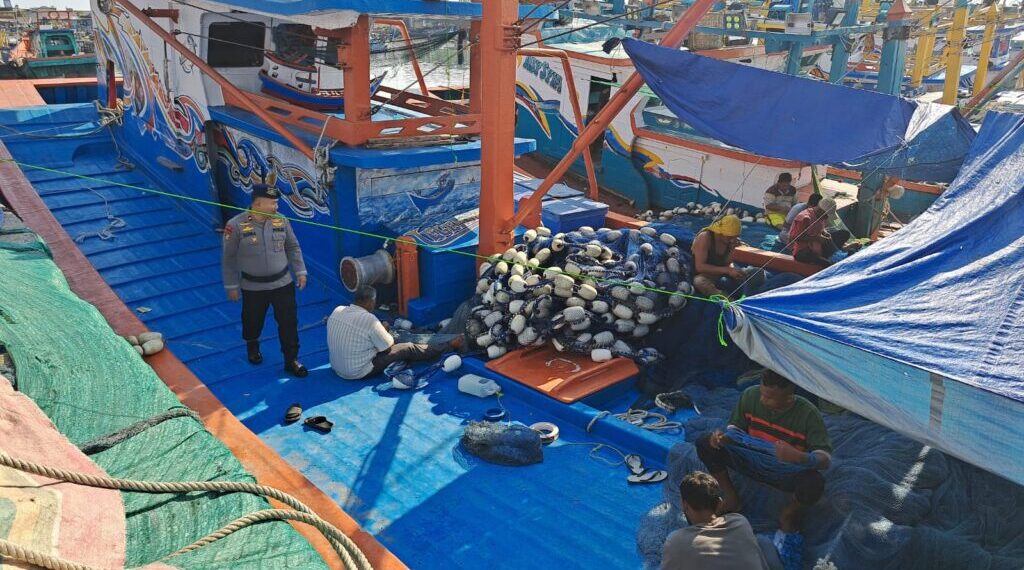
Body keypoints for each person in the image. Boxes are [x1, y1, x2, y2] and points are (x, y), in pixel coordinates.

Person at [696, 370, 832, 534]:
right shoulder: (750, 395)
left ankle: (788, 514)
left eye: (769, 397)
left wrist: (799, 457)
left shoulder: (809, 414)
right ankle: (731, 496)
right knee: (705, 442)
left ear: (789, 397)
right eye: (761, 393)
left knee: (813, 483)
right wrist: (722, 439)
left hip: (783, 473)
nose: (762, 399)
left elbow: (825, 460)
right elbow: (735, 431)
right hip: (748, 461)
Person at [222, 184, 308, 377]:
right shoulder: (235, 225)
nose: (276, 207)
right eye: (273, 203)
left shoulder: (281, 221)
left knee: (289, 322)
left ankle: (291, 359)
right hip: (253, 287)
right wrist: (231, 285)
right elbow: (229, 258)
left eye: (276, 202)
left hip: (282, 283)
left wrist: (300, 271)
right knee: (252, 320)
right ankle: (252, 344)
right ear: (258, 204)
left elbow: (293, 247)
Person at [327, 286, 463, 380]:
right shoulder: (369, 319)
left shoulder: (337, 310)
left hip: (337, 367)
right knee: (406, 347)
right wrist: (385, 330)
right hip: (356, 372)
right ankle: (449, 345)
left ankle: (435, 338)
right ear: (370, 302)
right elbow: (388, 347)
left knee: (381, 337)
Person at [660, 472, 769, 570]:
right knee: (763, 542)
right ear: (720, 503)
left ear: (684, 505)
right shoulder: (740, 521)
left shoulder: (677, 542)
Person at [691, 214, 763, 298]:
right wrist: (727, 270)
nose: (732, 240)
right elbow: (699, 267)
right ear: (721, 233)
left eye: (735, 237)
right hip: (708, 274)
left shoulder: (730, 240)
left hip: (724, 272)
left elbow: (727, 263)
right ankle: (727, 300)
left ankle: (753, 296)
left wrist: (732, 250)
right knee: (699, 282)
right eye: (730, 237)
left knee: (757, 272)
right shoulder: (705, 237)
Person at [787, 196, 847, 266]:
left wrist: (824, 233)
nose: (827, 217)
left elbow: (818, 229)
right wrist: (817, 238)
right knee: (826, 264)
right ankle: (830, 258)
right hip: (802, 250)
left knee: (844, 234)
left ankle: (837, 254)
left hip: (817, 246)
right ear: (820, 210)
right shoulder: (805, 218)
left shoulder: (821, 216)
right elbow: (794, 237)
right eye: (826, 215)